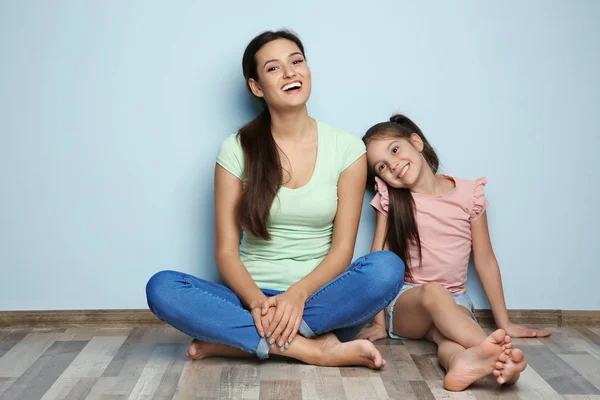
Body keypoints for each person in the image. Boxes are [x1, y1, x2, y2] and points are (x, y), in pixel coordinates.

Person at [145, 30, 405, 368]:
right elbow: (225, 251)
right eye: (273, 68)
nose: (290, 73)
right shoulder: (236, 149)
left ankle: (239, 342)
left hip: (321, 300)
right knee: (162, 287)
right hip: (247, 300)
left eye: (296, 61)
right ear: (256, 87)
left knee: (387, 268)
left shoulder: (347, 149)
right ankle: (311, 350)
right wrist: (256, 303)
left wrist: (297, 296)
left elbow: (343, 250)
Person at [359, 114, 548, 390]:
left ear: (417, 142)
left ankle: (463, 362)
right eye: (382, 167)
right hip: (406, 305)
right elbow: (377, 260)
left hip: (456, 301)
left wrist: (504, 321)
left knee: (447, 339)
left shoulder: (468, 195)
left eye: (395, 150)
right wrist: (377, 323)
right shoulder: (393, 200)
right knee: (434, 291)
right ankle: (500, 355)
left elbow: (484, 260)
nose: (393, 166)